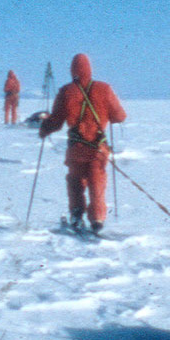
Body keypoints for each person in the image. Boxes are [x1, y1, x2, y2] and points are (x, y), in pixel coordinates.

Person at [38, 53, 126, 233]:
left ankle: (77, 215)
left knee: (75, 182)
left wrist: (44, 128)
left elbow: (56, 121)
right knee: (97, 182)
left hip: (76, 149)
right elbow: (120, 116)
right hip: (98, 149)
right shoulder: (104, 89)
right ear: (90, 69)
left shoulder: (66, 91)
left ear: (72, 70)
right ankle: (97, 219)